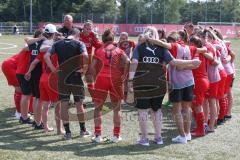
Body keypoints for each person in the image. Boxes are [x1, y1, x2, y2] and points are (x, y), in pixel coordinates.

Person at [129, 27, 201, 146]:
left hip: (142, 82)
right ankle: (158, 138)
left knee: (142, 111)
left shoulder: (139, 47)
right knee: (157, 110)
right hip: (159, 83)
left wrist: (130, 80)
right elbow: (173, 62)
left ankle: (145, 139)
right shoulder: (162, 48)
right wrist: (192, 62)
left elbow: (134, 62)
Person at [147, 29, 206, 144]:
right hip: (189, 81)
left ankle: (182, 136)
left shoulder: (174, 46)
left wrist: (148, 39)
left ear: (174, 40)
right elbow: (200, 55)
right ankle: (187, 134)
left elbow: (162, 44)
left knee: (177, 110)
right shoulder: (190, 48)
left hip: (177, 83)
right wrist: (189, 64)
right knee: (187, 108)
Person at [44, 28, 90, 140]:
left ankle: (68, 132)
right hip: (75, 76)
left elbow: (46, 56)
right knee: (79, 104)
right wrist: (84, 69)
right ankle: (83, 130)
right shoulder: (79, 43)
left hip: (62, 77)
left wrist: (53, 69)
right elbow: (85, 56)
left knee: (64, 104)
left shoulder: (58, 43)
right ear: (77, 35)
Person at [89, 29, 129, 143]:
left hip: (101, 78)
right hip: (115, 79)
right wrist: (124, 75)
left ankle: (97, 136)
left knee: (98, 108)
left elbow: (92, 67)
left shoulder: (99, 50)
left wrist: (97, 76)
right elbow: (128, 61)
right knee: (117, 109)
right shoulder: (118, 50)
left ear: (103, 40)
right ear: (113, 40)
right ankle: (116, 136)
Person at [24, 24, 64, 134]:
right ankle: (59, 129)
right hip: (52, 78)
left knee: (45, 105)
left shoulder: (44, 49)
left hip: (42, 78)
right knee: (57, 105)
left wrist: (28, 72)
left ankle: (45, 126)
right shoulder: (57, 49)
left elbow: (34, 62)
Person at [16, 29, 44, 126]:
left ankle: (24, 116)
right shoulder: (31, 45)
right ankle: (24, 117)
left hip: (23, 71)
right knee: (27, 95)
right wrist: (40, 39)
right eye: (42, 34)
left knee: (27, 95)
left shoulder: (34, 45)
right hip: (25, 72)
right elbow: (26, 41)